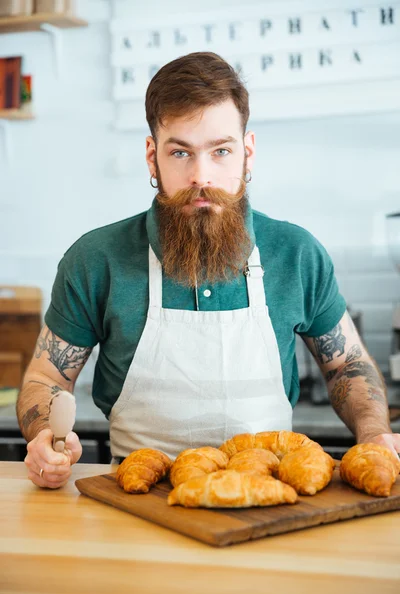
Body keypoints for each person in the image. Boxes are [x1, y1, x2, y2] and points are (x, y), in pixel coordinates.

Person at [17, 52, 400, 489]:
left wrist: (374, 436)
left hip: (269, 498)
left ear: (247, 152)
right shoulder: (95, 259)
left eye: (221, 151)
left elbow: (347, 365)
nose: (202, 175)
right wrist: (45, 435)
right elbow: (47, 377)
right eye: (181, 152)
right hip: (136, 504)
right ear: (151, 156)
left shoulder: (296, 254)